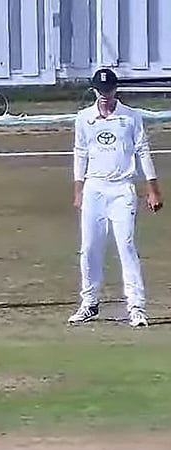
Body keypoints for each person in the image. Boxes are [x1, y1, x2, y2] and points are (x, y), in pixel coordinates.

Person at [68, 67, 163, 327]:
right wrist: (78, 190)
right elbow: (80, 153)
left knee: (126, 247)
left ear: (115, 90)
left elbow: (142, 151)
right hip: (94, 189)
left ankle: (136, 307)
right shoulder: (84, 118)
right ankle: (89, 303)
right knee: (89, 248)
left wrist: (152, 188)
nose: (105, 96)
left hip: (122, 189)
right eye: (100, 91)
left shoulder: (131, 117)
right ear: (94, 91)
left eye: (108, 91)